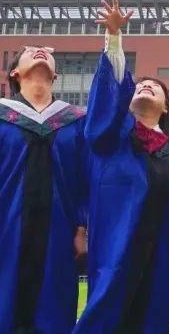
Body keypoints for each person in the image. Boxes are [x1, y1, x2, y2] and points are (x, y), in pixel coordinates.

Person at [74, 0, 169, 334]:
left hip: (160, 263)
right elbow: (104, 106)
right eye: (140, 85)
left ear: (166, 108)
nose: (146, 86)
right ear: (126, 101)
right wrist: (114, 38)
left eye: (155, 86)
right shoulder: (113, 139)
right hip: (116, 252)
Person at [0, 45, 88, 334]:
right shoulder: (2, 115)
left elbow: (85, 179)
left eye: (46, 52)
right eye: (31, 51)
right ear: (14, 73)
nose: (40, 51)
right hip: (6, 230)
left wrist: (82, 228)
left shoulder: (77, 121)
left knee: (54, 311)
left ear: (55, 76)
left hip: (59, 234)